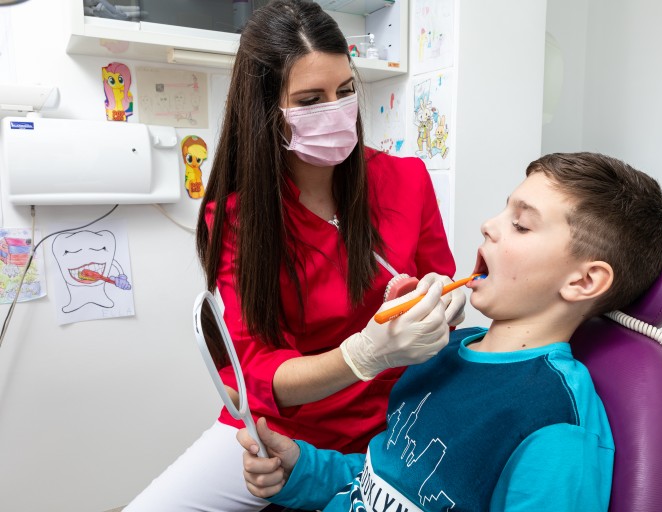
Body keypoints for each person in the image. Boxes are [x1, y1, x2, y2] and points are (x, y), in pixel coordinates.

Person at [124, 1, 463, 510]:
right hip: (283, 426)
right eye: (310, 100)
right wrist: (363, 355)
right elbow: (257, 371)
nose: (336, 109)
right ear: (266, 111)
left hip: (397, 420)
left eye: (344, 91)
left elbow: (445, 289)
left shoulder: (407, 180)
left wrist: (446, 304)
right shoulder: (238, 219)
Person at [236, 152, 662, 511]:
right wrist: (301, 469)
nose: (489, 225)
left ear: (583, 281)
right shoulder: (442, 354)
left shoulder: (554, 426)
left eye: (521, 224)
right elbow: (385, 479)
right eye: (504, 211)